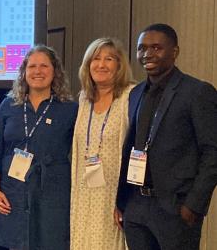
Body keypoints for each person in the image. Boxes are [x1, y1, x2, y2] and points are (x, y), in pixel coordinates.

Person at [115, 23, 217, 250]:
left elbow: (212, 152)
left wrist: (193, 205)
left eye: (156, 48)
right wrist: (124, 202)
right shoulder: (136, 93)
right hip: (136, 205)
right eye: (142, 48)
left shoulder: (197, 92)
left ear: (175, 52)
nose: (147, 54)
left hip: (176, 208)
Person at [0, 45, 77, 250]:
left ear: (55, 72)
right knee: (18, 243)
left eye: (44, 66)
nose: (38, 71)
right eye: (32, 66)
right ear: (24, 72)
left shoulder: (69, 109)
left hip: (53, 192)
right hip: (13, 191)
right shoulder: (9, 105)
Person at [70, 38, 133, 250]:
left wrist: (126, 201)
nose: (101, 64)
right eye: (95, 59)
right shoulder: (83, 99)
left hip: (114, 194)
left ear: (120, 65)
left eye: (109, 59)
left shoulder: (130, 97)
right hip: (84, 191)